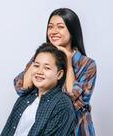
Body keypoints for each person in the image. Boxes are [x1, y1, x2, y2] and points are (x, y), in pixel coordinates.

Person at [14, 8, 97, 136]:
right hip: (43, 125)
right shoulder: (43, 57)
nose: (53, 31)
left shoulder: (87, 64)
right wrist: (42, 54)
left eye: (60, 27)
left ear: (72, 31)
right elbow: (22, 88)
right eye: (50, 27)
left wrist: (68, 62)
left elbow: (73, 101)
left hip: (76, 130)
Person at [1, 43, 77, 136]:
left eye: (47, 68)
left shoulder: (62, 104)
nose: (39, 72)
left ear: (59, 74)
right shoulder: (25, 98)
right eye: (36, 66)